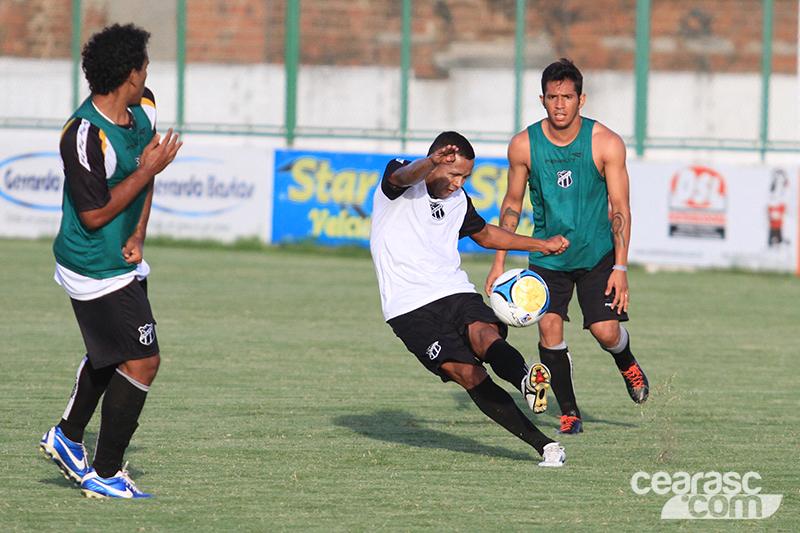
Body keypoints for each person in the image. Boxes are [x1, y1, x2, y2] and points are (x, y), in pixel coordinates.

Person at [39, 23, 182, 498]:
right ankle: (104, 474)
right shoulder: (82, 135)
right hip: (91, 266)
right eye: (143, 65)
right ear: (129, 75)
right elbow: (95, 213)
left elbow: (149, 165)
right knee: (143, 361)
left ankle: (66, 436)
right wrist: (145, 169)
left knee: (113, 351)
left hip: (121, 259)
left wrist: (140, 233)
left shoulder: (144, 108)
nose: (147, 72)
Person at [370, 131, 569, 466]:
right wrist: (431, 163)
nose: (459, 183)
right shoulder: (401, 182)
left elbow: (487, 234)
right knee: (468, 373)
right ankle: (545, 445)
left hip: (453, 289)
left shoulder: (459, 201)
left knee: (484, 334)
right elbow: (403, 176)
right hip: (409, 307)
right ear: (434, 163)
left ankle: (525, 378)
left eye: (465, 176)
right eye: (454, 174)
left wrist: (541, 244)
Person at [485, 58, 649, 436]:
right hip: (547, 257)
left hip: (596, 255)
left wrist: (621, 268)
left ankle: (627, 362)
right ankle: (570, 412)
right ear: (542, 99)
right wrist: (500, 263)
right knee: (548, 331)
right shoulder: (524, 145)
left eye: (568, 97)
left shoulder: (605, 142)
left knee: (607, 332)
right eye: (553, 97)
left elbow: (620, 208)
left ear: (582, 99)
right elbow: (512, 204)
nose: (560, 104)